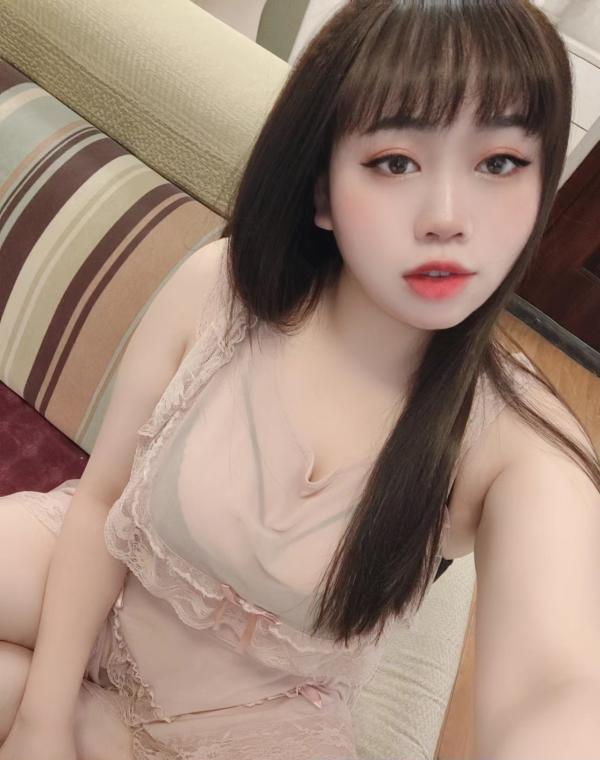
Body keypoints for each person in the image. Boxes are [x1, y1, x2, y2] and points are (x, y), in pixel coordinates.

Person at [1, 1, 599, 758]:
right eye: (396, 162)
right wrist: (42, 720)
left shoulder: (516, 443)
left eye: (500, 163)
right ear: (322, 190)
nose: (448, 218)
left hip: (249, 723)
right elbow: (102, 500)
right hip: (109, 578)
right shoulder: (221, 288)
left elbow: (555, 684)